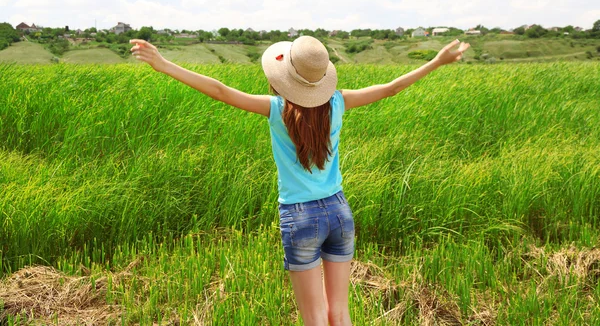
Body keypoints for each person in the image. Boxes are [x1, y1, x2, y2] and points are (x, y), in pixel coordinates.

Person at [129, 36, 470, 326]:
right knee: (339, 310)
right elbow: (390, 88)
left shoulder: (277, 110)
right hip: (340, 213)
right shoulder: (339, 102)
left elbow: (220, 91)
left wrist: (164, 64)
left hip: (300, 217)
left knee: (315, 317)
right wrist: (437, 61)